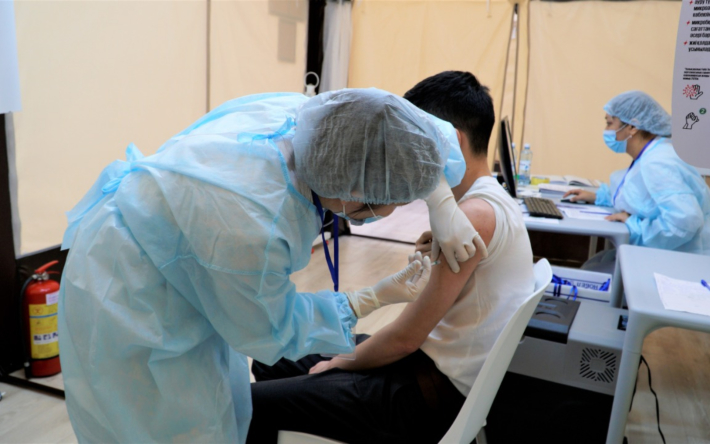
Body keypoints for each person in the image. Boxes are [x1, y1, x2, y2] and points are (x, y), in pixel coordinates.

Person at [57, 88, 487, 443]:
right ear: (355, 193)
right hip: (128, 296)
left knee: (223, 401)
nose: (396, 209)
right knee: (174, 425)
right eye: (395, 200)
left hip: (161, 241)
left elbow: (405, 128)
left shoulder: (317, 121)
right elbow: (271, 330)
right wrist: (370, 298)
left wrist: (441, 201)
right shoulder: (253, 227)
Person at [247, 71, 535, 444]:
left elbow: (404, 338)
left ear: (450, 139)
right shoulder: (492, 201)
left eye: (415, 140)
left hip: (426, 395)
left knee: (252, 404)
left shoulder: (474, 217)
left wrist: (338, 363)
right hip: (432, 369)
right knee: (273, 357)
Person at [564, 91, 710, 266]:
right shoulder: (651, 153)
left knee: (598, 268)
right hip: (665, 253)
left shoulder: (658, 162)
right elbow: (641, 196)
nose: (606, 131)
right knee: (597, 264)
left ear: (633, 127)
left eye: (610, 123)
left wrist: (636, 228)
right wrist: (599, 196)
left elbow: (685, 222)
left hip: (681, 260)